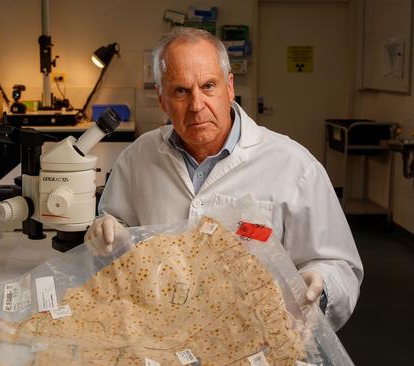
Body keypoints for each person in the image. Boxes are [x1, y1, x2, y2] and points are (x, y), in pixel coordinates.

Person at [84, 27, 363, 330]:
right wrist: (108, 234)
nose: (196, 105)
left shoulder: (295, 167)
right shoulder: (137, 158)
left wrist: (322, 286)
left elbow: (340, 266)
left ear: (229, 88)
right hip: (159, 335)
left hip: (257, 338)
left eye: (208, 86)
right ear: (162, 100)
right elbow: (115, 227)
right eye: (180, 91)